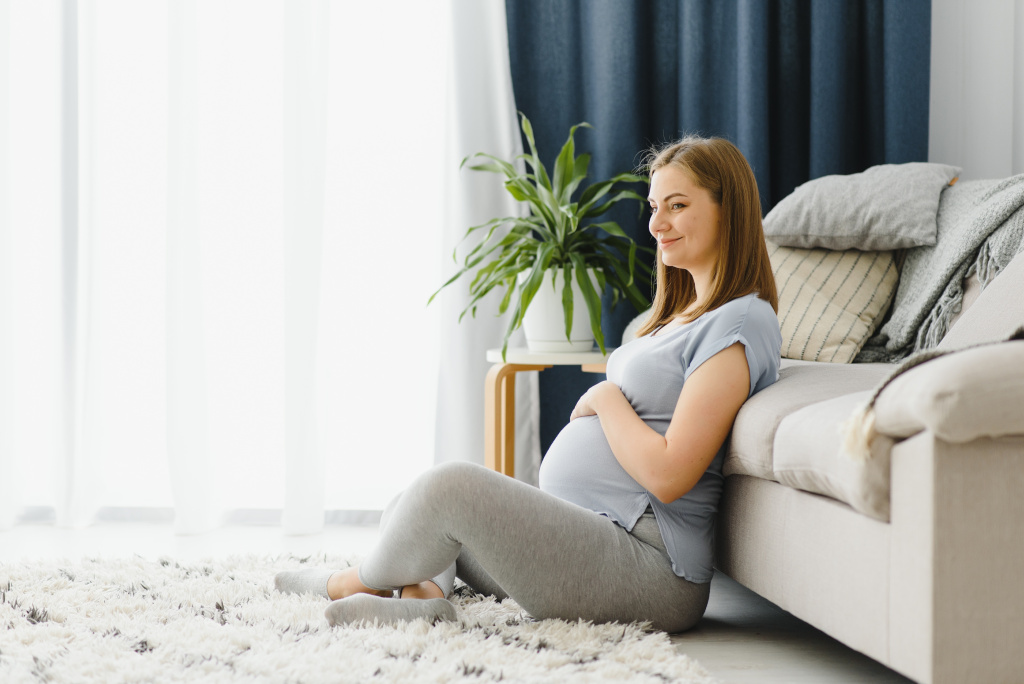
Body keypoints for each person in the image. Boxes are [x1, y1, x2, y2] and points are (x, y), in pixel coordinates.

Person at [274, 136, 782, 633]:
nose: (656, 224)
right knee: (410, 502)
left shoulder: (740, 321)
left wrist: (607, 399)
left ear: (728, 211)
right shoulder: (681, 316)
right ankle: (424, 599)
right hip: (588, 540)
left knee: (449, 488)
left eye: (677, 205)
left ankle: (347, 583)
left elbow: (671, 474)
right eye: (654, 206)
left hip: (650, 568)